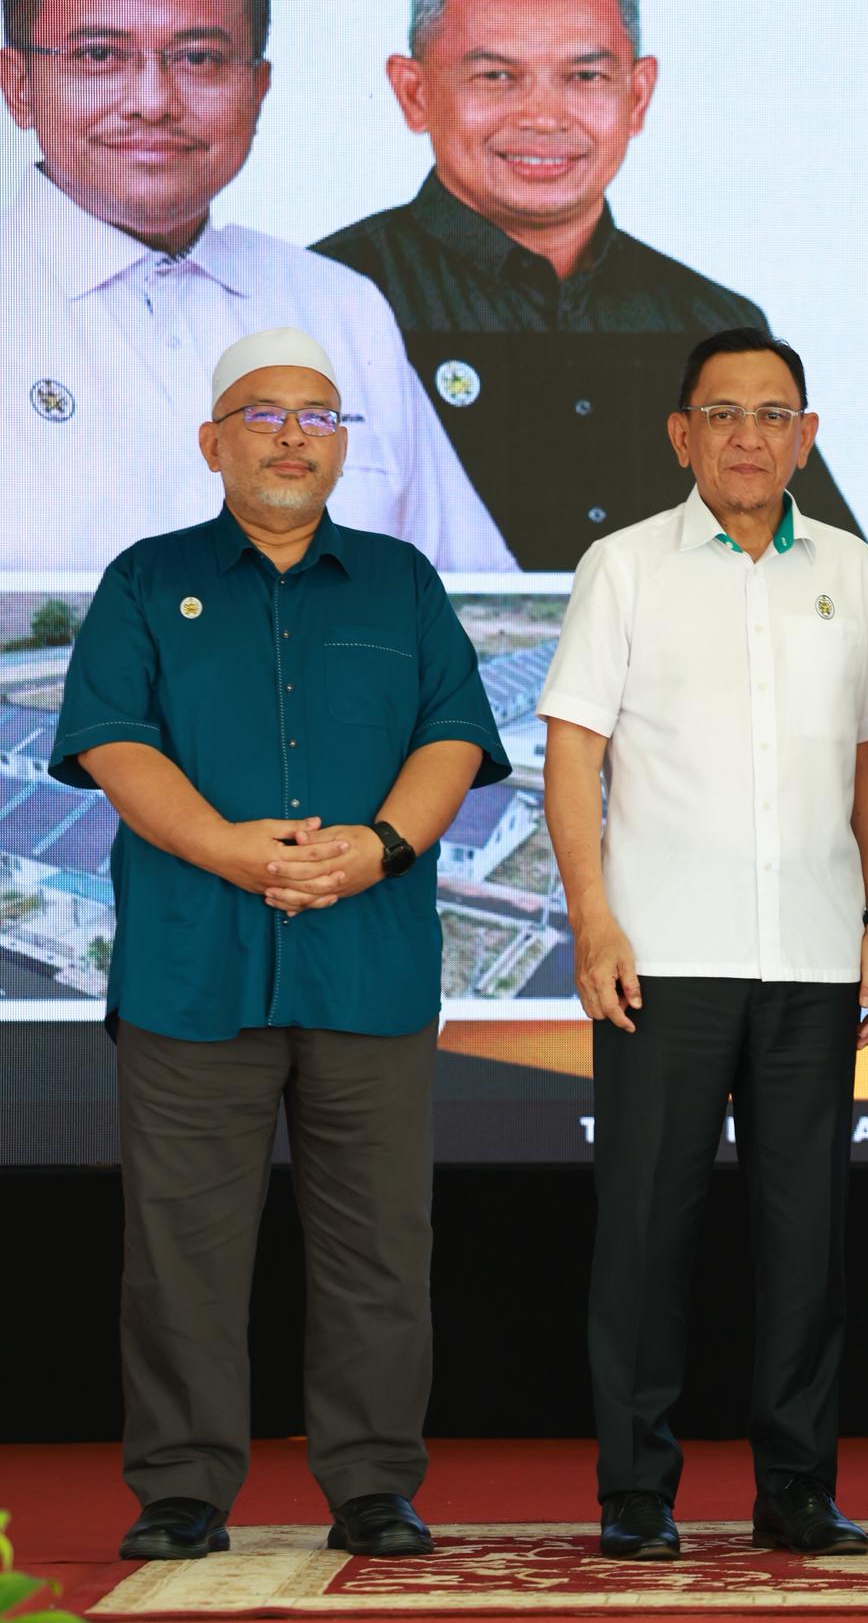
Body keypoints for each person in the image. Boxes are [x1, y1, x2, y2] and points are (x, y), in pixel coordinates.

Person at [50, 325, 508, 1560]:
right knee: (181, 1251)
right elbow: (112, 740)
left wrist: (381, 847)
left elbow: (453, 733)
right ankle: (182, 1488)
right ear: (214, 441)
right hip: (191, 966)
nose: (294, 435)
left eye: (319, 415)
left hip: (370, 963)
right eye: (265, 413)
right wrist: (227, 849)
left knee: (378, 1248)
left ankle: (373, 1485)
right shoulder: (147, 580)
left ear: (344, 445)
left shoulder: (401, 581)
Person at [537, 327, 868, 1560]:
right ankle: (636, 1488)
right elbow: (574, 752)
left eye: (773, 414)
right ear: (680, 434)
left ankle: (797, 1485)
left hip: (812, 953)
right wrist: (593, 917)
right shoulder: (624, 565)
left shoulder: (851, 568)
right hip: (662, 953)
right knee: (646, 1232)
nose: (749, 436)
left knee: (806, 1239)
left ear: (806, 436)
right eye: (724, 413)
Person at [315, 0, 857, 570]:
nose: (544, 118)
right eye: (496, 76)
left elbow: (824, 584)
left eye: (586, 77)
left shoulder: (711, 322)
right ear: (415, 92)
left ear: (638, 94)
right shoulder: (328, 299)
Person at [0, 0, 511, 572]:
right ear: (18, 85)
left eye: (199, 59)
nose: (153, 101)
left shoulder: (340, 307)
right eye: (98, 55)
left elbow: (468, 599)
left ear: (257, 89)